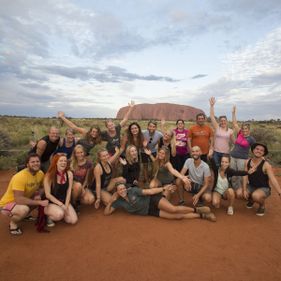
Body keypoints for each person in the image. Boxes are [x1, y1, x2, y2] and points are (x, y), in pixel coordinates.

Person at [104, 182, 216, 222]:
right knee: (177, 217)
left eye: (123, 188)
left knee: (173, 209)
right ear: (117, 192)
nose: (122, 190)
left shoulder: (133, 191)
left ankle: (196, 209)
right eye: (120, 190)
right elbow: (107, 213)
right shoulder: (118, 202)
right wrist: (110, 202)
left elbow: (149, 191)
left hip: (152, 201)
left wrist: (163, 188)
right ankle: (202, 215)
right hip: (149, 211)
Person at [0, 153, 49, 235]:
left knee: (38, 199)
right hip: (7, 204)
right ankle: (13, 224)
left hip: (22, 200)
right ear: (27, 164)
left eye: (37, 161)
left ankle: (24, 216)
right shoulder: (20, 177)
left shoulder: (40, 173)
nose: (36, 163)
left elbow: (42, 187)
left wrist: (38, 194)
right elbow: (18, 199)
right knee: (24, 209)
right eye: (32, 162)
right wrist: (38, 202)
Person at [243, 143, 281, 216]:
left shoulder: (266, 165)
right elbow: (245, 176)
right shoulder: (247, 161)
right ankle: (251, 200)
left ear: (263, 153)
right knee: (240, 193)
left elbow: (273, 179)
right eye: (257, 149)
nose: (259, 151)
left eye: (261, 150)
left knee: (256, 196)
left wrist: (280, 192)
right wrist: (244, 189)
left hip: (264, 188)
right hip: (251, 186)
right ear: (253, 150)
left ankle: (262, 206)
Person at [44, 154, 78, 227]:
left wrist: (66, 205)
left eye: (65, 161)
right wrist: (61, 205)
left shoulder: (69, 174)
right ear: (56, 162)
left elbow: (69, 191)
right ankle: (48, 217)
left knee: (72, 220)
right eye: (61, 161)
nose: (63, 163)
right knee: (59, 214)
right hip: (51, 202)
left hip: (63, 200)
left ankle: (60, 211)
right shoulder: (49, 175)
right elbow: (48, 195)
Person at [230, 106, 256, 197]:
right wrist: (233, 113)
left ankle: (241, 190)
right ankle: (234, 189)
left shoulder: (251, 139)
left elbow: (255, 149)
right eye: (243, 129)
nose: (244, 130)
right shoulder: (240, 133)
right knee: (233, 174)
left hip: (242, 159)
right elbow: (234, 123)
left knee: (241, 175)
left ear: (249, 130)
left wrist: (255, 159)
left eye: (246, 129)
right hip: (233, 157)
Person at [209, 97, 235, 168]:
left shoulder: (230, 131)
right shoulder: (217, 127)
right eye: (221, 120)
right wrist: (212, 106)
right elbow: (212, 116)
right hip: (216, 152)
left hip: (225, 153)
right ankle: (216, 179)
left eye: (224, 120)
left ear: (226, 121)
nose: (223, 122)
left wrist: (232, 150)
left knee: (224, 168)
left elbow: (234, 142)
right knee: (216, 168)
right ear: (220, 121)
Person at [70, 145, 95, 212]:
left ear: (84, 152)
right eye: (77, 153)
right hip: (73, 185)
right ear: (75, 154)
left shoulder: (88, 163)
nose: (80, 154)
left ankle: (78, 199)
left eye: (81, 152)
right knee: (78, 186)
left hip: (83, 185)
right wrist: (80, 188)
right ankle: (73, 203)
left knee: (90, 200)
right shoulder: (71, 162)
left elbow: (87, 179)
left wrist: (83, 188)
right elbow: (70, 179)